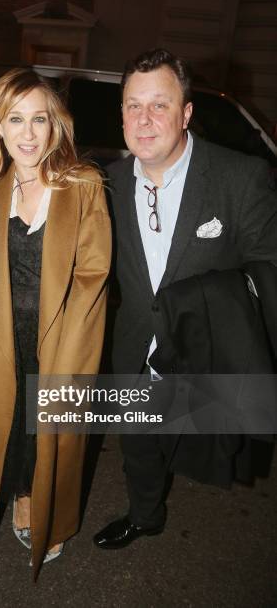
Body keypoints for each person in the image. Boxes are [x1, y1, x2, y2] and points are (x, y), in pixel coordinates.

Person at [93, 48, 277, 550]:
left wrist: (205, 300)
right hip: (133, 348)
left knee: (212, 445)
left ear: (187, 112)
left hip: (204, 352)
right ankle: (146, 515)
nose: (144, 120)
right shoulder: (102, 184)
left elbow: (270, 269)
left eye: (160, 105)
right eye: (133, 105)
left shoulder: (241, 177)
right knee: (138, 446)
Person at [0, 68, 111, 576]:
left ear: (56, 126)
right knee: (8, 426)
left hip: (61, 335)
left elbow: (94, 275)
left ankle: (44, 513)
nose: (28, 134)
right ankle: (17, 494)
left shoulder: (84, 183)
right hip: (3, 334)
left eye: (39, 119)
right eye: (15, 119)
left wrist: (71, 345)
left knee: (49, 433)